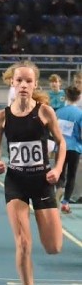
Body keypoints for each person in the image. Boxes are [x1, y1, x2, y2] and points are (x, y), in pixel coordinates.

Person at [0, 60, 65, 285]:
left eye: (28, 81)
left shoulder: (45, 112)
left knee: (53, 247)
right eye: (19, 80)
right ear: (12, 82)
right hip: (16, 182)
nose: (23, 85)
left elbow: (61, 143)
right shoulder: (2, 117)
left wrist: (56, 169)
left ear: (34, 85)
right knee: (23, 242)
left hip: (42, 182)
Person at [55, 86, 82, 215]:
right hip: (74, 148)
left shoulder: (59, 112)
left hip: (60, 147)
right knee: (71, 175)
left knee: (59, 172)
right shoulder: (80, 114)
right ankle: (65, 203)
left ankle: (59, 188)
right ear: (79, 97)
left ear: (66, 97)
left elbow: (53, 131)